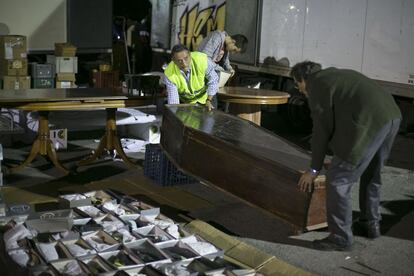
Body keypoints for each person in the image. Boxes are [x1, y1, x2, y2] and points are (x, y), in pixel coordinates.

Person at [292, 61, 401, 251]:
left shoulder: (316, 85)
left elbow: (321, 130)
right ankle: (371, 223)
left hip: (369, 122)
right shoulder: (335, 76)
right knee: (372, 173)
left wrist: (314, 169)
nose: (299, 90)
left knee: (337, 180)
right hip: (390, 116)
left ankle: (340, 238)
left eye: (297, 84)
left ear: (303, 79)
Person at [163, 44, 219, 111]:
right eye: (179, 60)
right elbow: (174, 102)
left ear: (190, 55)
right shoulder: (169, 73)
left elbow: (213, 80)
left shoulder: (201, 60)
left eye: (186, 58)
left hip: (208, 97)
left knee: (209, 120)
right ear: (173, 61)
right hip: (187, 102)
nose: (184, 63)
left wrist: (209, 100)